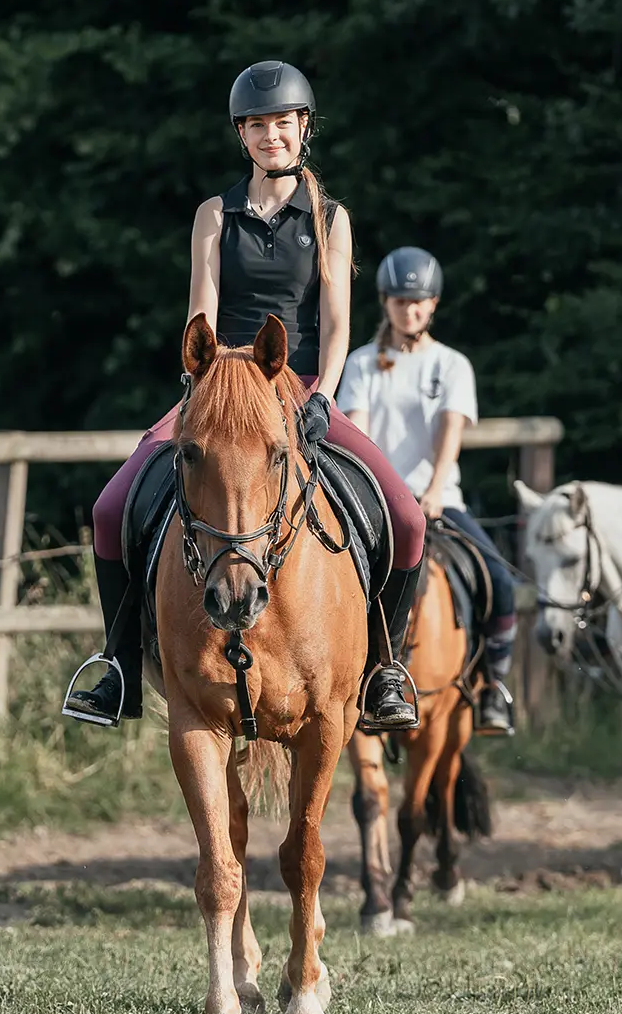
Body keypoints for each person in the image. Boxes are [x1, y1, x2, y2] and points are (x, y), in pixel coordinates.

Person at [63, 61, 426, 731]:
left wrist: (324, 396)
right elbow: (200, 314)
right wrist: (205, 384)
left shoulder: (329, 216)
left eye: (282, 123)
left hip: (303, 385)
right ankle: (116, 669)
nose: (271, 135)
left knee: (406, 519)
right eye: (258, 125)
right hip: (218, 385)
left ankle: (385, 669)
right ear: (242, 135)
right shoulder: (214, 215)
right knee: (112, 507)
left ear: (302, 129)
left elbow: (341, 324)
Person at [337, 247, 519, 735]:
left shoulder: (452, 365)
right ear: (385, 303)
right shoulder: (361, 365)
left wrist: (435, 490)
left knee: (498, 580)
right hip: (378, 503)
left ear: (433, 303)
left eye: (418, 301)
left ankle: (493, 687)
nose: (409, 309)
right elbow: (359, 435)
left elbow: (449, 433)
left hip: (438, 500)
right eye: (399, 301)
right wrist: (377, 495)